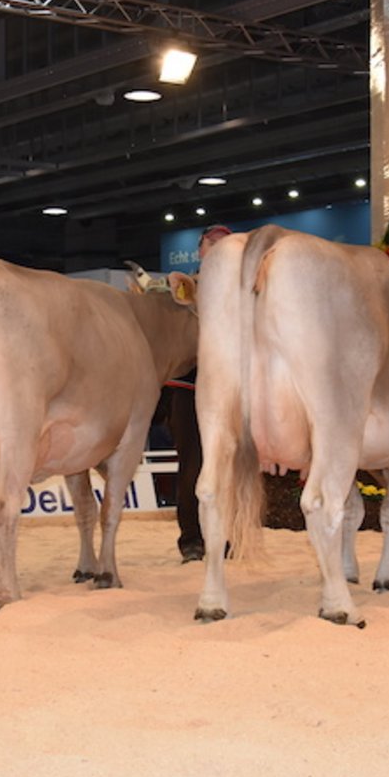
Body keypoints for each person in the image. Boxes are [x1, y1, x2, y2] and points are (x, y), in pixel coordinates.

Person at [164, 224, 232, 562]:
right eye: (212, 243)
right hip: (189, 385)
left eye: (225, 243)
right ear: (201, 250)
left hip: (231, 388)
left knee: (229, 463)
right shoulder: (183, 287)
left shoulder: (243, 289)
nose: (218, 247)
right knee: (192, 463)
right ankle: (191, 537)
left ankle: (223, 534)